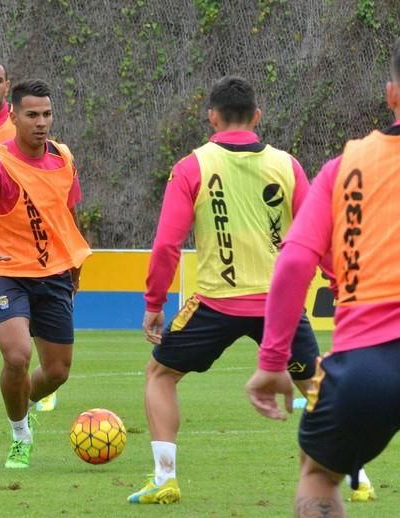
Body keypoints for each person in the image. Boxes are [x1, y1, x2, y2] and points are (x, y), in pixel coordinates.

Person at [247, 26, 400, 517]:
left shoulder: (344, 166)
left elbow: (296, 262)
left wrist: (273, 360)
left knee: (318, 476)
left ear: (391, 95)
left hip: (364, 359)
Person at [128, 76, 322, 504]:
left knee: (160, 375)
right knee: (318, 390)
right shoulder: (287, 166)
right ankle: (353, 477)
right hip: (279, 305)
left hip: (216, 304)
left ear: (211, 117)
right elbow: (316, 234)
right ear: (257, 116)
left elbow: (166, 244)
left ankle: (165, 479)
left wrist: (154, 303)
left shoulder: (192, 166)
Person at [0, 79, 91, 468]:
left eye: (46, 114)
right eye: (32, 115)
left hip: (54, 271)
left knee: (57, 371)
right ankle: (20, 434)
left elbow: (67, 213)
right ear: (13, 116)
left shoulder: (64, 158)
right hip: (5, 270)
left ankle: (27, 403)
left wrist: (75, 264)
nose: (41, 122)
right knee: (17, 356)